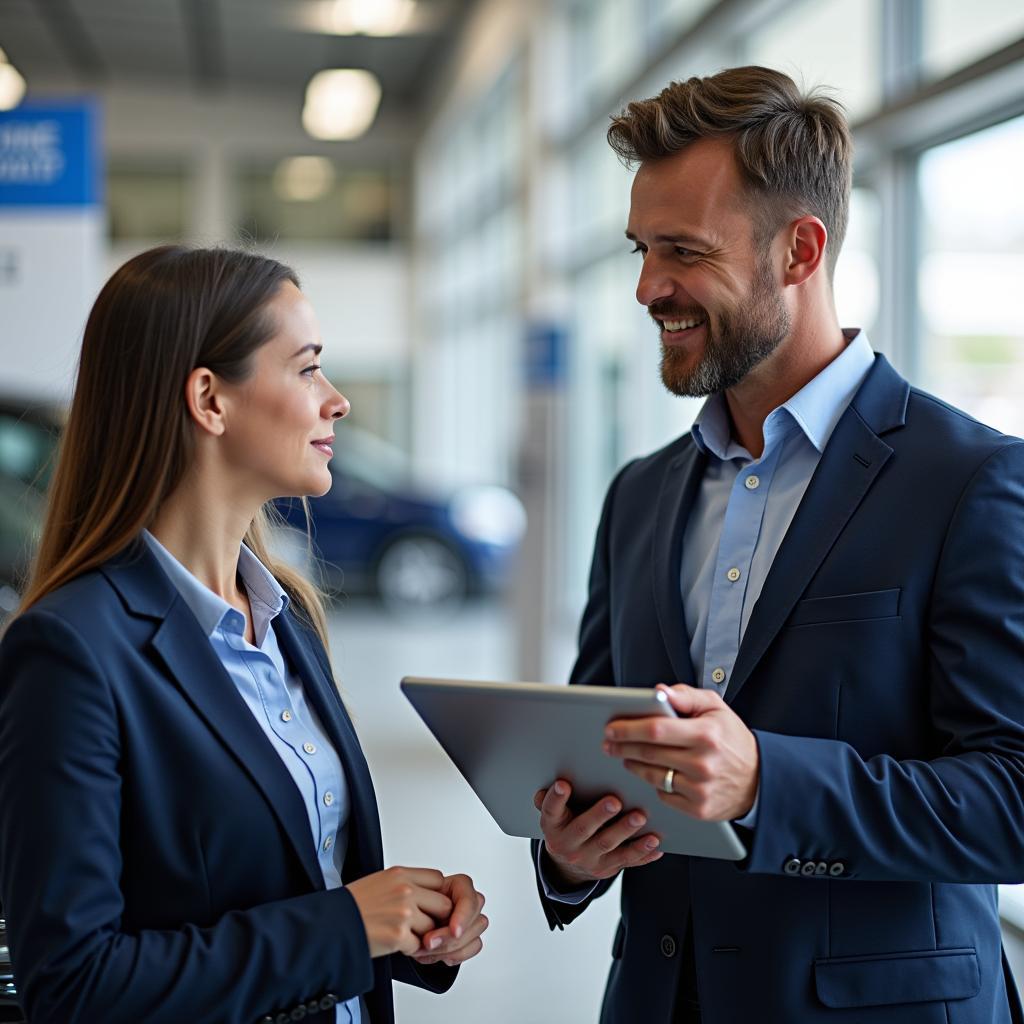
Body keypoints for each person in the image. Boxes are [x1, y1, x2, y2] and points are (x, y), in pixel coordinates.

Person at [531, 66, 1024, 1023]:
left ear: (800, 250)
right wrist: (567, 852)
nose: (646, 287)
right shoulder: (638, 496)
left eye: (682, 250)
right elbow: (598, 751)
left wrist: (767, 782)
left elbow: (1013, 798)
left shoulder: (970, 480)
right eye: (639, 248)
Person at [0, 245, 488, 1024]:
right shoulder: (71, 653)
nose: (337, 402)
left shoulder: (287, 616)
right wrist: (347, 924)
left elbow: (291, 883)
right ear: (209, 400)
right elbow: (73, 982)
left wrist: (403, 925)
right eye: (306, 368)